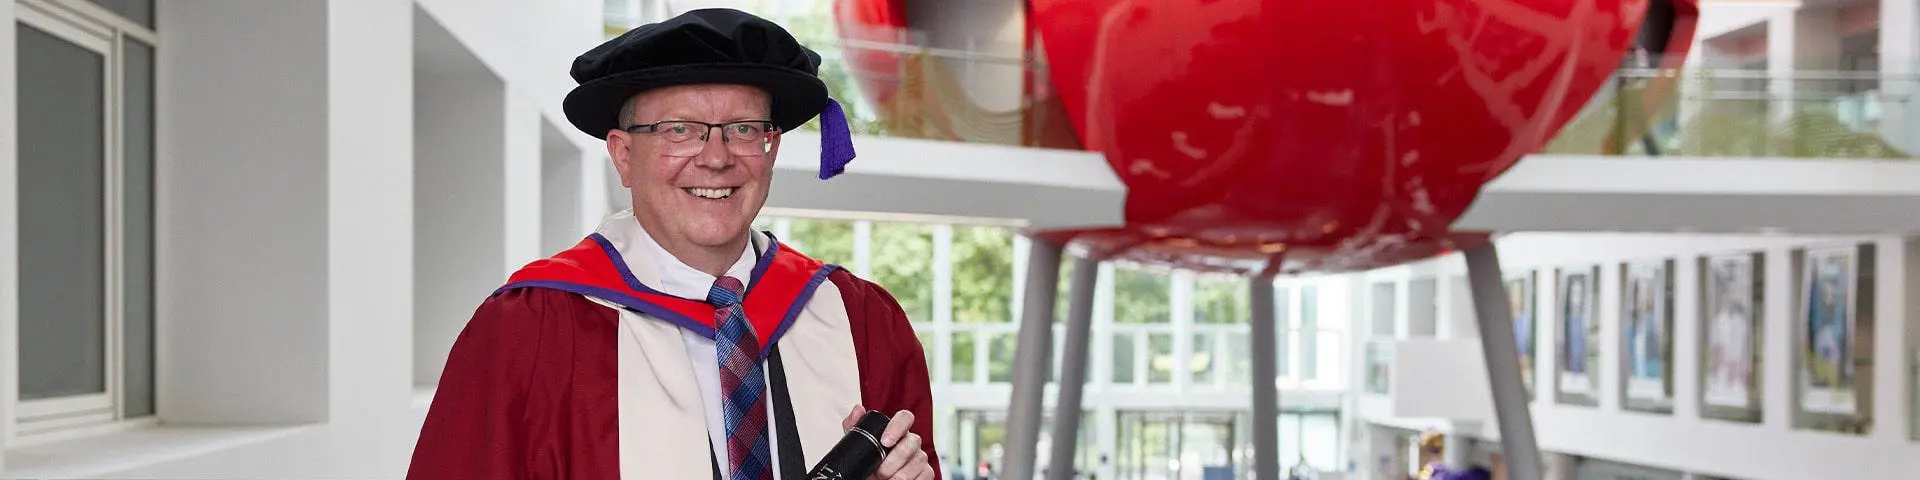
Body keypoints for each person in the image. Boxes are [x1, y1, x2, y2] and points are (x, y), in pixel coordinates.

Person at [407, 8, 939, 480]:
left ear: (771, 147)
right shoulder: (528, 331)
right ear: (621, 155)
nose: (716, 157)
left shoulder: (862, 320)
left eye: (745, 129)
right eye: (679, 130)